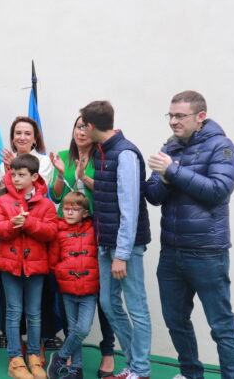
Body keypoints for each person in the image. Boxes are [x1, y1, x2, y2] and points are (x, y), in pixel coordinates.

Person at [146, 91, 234, 379]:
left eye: (179, 116)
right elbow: (152, 195)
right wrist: (164, 177)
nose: (173, 121)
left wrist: (173, 172)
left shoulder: (222, 147)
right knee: (175, 321)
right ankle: (190, 374)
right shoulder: (169, 148)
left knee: (221, 324)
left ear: (200, 117)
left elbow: (218, 191)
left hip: (207, 252)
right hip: (171, 251)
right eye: (170, 115)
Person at [79, 101, 151, 379]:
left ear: (92, 126)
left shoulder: (125, 153)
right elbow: (109, 191)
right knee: (109, 305)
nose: (82, 130)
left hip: (125, 248)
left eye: (84, 125)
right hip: (105, 242)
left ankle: (141, 370)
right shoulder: (103, 152)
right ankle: (135, 365)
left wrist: (122, 253)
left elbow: (130, 206)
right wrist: (84, 174)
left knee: (137, 308)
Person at [48, 116, 116, 377]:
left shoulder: (103, 156)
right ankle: (72, 364)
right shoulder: (64, 155)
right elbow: (56, 195)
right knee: (70, 297)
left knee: (104, 300)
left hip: (98, 232)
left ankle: (107, 353)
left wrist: (81, 177)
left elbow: (109, 192)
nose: (81, 132)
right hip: (66, 235)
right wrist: (62, 175)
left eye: (87, 127)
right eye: (77, 126)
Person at [0, 116, 60, 358]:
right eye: (17, 133)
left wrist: (28, 222)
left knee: (35, 312)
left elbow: (50, 230)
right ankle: (14, 357)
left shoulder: (45, 196)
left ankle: (34, 352)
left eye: (27, 133)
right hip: (11, 262)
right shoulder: (4, 198)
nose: (17, 179)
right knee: (13, 311)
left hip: (36, 262)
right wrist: (12, 224)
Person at [46, 192, 99, 379]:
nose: (69, 212)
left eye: (75, 209)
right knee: (72, 328)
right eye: (66, 209)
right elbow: (53, 261)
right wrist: (62, 272)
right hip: (67, 288)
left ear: (84, 213)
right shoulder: (58, 231)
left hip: (89, 290)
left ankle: (60, 356)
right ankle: (76, 368)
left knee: (82, 329)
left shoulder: (93, 229)